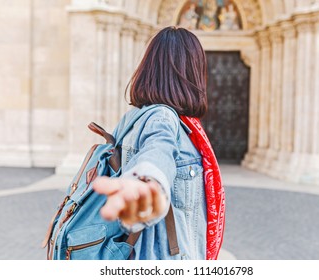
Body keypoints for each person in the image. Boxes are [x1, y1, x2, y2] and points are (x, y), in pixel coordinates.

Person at [93, 26, 225, 260]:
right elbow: (158, 151)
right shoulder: (162, 119)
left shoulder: (132, 118)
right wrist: (146, 185)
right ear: (193, 73)